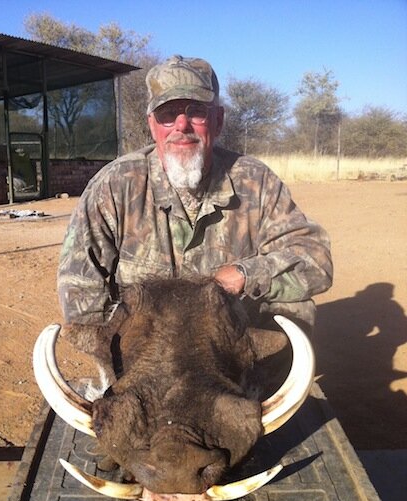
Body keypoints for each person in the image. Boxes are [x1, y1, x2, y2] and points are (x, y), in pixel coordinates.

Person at [57, 55, 332, 334]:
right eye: (167, 115)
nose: (181, 126)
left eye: (195, 111)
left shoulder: (257, 181)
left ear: (218, 120)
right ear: (152, 125)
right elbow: (79, 289)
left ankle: (270, 378)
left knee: (295, 305)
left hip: (232, 346)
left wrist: (245, 274)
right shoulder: (113, 186)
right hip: (149, 352)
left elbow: (316, 260)